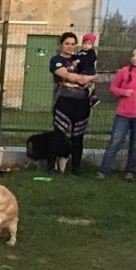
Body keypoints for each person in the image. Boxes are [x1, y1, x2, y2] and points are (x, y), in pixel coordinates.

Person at [96, 47, 136, 181]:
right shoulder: (124, 71)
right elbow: (113, 87)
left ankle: (129, 172)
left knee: (135, 145)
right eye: (132, 55)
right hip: (124, 114)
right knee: (115, 142)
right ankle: (103, 171)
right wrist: (123, 92)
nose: (134, 58)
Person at [47, 32, 97, 176]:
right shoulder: (56, 60)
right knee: (58, 134)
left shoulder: (82, 58)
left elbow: (93, 74)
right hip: (64, 101)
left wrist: (90, 78)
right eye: (67, 43)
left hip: (82, 102)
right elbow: (67, 75)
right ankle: (51, 166)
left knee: (78, 136)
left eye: (73, 44)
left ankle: (76, 168)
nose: (70, 47)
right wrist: (84, 79)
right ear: (61, 44)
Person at [74, 32, 100, 108]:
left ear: (92, 45)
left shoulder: (91, 52)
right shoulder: (80, 52)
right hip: (81, 71)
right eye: (85, 43)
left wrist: (80, 61)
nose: (86, 45)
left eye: (89, 44)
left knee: (85, 84)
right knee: (83, 86)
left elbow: (90, 60)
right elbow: (76, 58)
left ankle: (93, 98)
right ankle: (91, 98)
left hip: (89, 70)